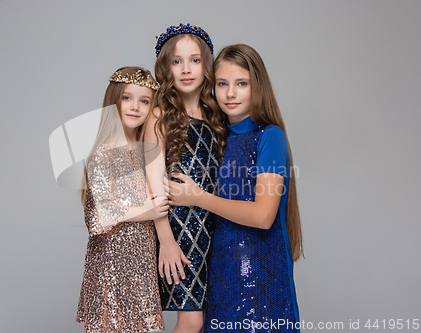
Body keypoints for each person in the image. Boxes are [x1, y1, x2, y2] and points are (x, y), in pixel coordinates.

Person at [167, 44, 303, 332]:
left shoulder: (270, 137)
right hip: (219, 276)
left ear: (257, 87)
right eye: (222, 84)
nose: (230, 93)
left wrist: (198, 197)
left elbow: (263, 215)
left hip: (263, 279)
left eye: (241, 84)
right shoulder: (216, 137)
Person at [144, 24, 228, 333]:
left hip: (215, 227)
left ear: (206, 64)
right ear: (166, 67)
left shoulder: (217, 115)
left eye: (194, 60)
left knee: (209, 318)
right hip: (180, 231)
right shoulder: (159, 116)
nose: (186, 69)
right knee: (191, 319)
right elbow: (153, 184)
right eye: (176, 61)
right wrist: (165, 241)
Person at [76, 67, 167, 333]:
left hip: (141, 261)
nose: (135, 107)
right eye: (127, 98)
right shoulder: (104, 152)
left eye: (144, 101)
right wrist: (146, 210)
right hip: (112, 263)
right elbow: (98, 217)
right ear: (113, 100)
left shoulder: (143, 152)